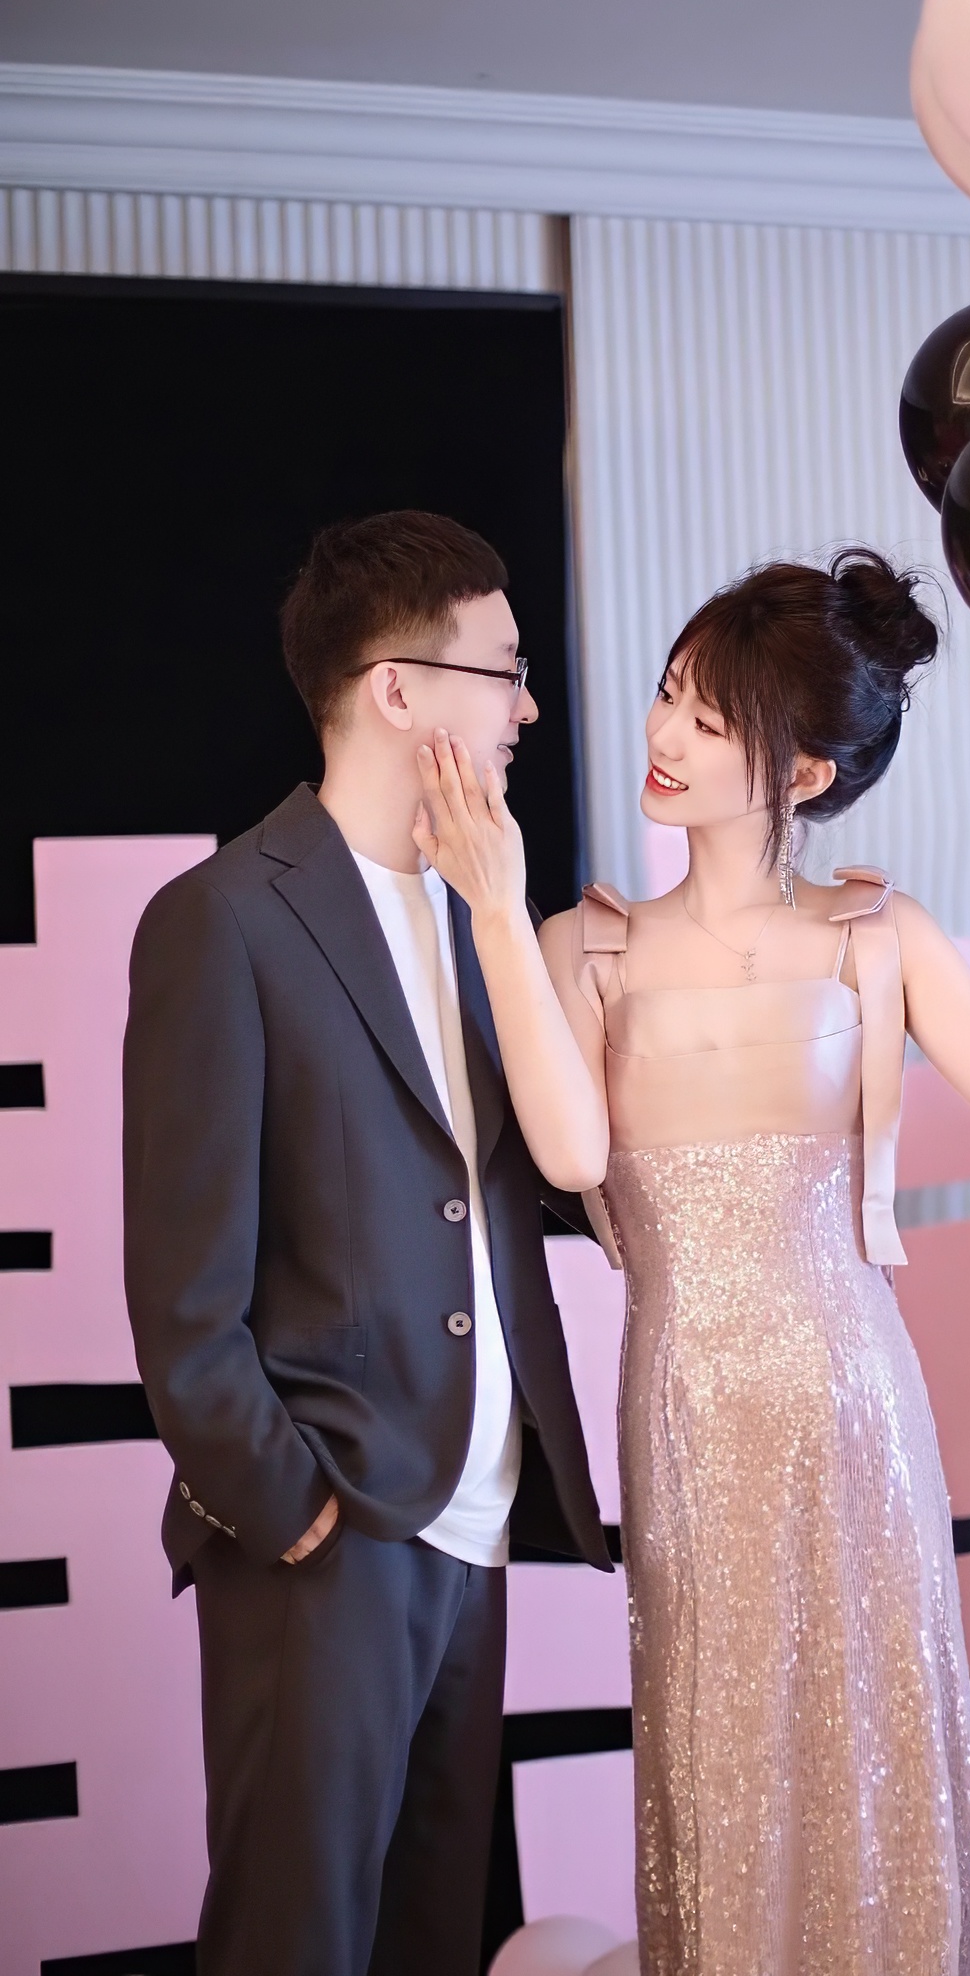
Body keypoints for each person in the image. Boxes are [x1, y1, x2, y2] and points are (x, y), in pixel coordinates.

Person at [413, 547, 970, 1976]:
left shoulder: (877, 936)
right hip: (689, 1416)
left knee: (875, 1754)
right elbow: (574, 1155)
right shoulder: (579, 943)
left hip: (855, 1405)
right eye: (671, 692)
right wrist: (490, 912)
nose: (664, 734)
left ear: (805, 773)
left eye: (710, 718)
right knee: (722, 1767)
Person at [122, 510, 611, 1976]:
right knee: (296, 1940)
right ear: (396, 688)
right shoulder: (223, 920)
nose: (527, 707)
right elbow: (183, 1295)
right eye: (503, 670)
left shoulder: (485, 914)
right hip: (327, 1530)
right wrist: (290, 1508)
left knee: (426, 1939)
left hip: (478, 1521)